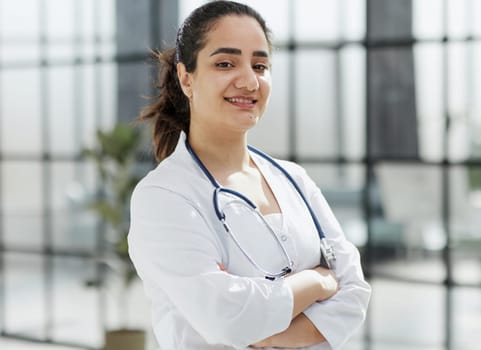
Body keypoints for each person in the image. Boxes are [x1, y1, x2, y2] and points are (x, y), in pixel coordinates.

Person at [128, 1, 371, 349]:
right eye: (225, 63)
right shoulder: (163, 196)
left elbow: (355, 290)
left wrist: (273, 332)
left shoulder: (293, 179)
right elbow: (225, 317)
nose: (248, 81)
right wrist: (316, 284)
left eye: (260, 65)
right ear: (186, 78)